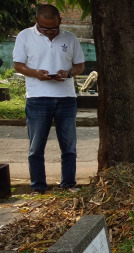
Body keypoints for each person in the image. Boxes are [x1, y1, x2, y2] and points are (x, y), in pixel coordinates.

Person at [13, 4, 85, 194]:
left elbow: (80, 66)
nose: (50, 32)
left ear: (60, 21)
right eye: (45, 28)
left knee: (69, 146)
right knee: (36, 148)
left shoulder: (70, 38)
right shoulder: (25, 36)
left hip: (66, 98)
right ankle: (38, 187)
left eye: (54, 28)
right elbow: (18, 65)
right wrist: (36, 73)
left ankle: (68, 184)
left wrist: (69, 73)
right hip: (38, 98)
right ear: (36, 21)